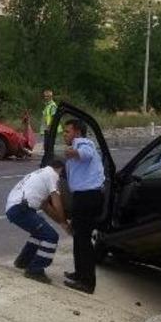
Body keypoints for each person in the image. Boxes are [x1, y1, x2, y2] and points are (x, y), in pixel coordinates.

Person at [5, 160, 70, 284]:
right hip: (21, 208)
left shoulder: (41, 173)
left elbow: (46, 206)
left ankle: (23, 261)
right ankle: (35, 270)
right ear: (61, 169)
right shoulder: (52, 175)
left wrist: (62, 223)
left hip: (15, 208)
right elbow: (57, 203)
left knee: (40, 233)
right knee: (51, 237)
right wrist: (65, 223)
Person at [62, 118, 105, 294]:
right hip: (84, 196)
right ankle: (80, 274)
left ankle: (87, 282)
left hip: (88, 196)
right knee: (79, 237)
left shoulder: (84, 143)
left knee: (83, 240)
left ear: (77, 132)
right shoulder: (79, 145)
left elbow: (85, 153)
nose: (65, 135)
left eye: (67, 131)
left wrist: (73, 152)